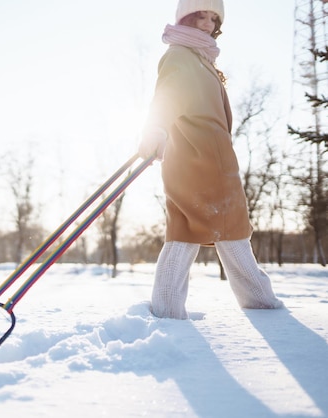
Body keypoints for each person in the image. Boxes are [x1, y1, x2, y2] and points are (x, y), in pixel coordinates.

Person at [138, 0, 283, 319]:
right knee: (217, 231)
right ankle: (261, 304)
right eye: (199, 15)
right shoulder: (179, 55)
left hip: (210, 159)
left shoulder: (199, 56)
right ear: (186, 19)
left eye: (212, 17)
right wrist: (156, 130)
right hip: (196, 159)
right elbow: (166, 96)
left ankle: (168, 309)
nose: (206, 23)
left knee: (204, 232)